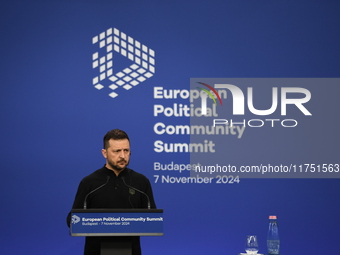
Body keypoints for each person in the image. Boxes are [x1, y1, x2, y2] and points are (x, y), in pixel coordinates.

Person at [67, 129, 156, 255]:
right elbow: (72, 220)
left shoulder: (141, 182)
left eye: (126, 150)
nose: (122, 156)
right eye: (117, 151)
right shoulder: (89, 183)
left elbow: (152, 219)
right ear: (104, 153)